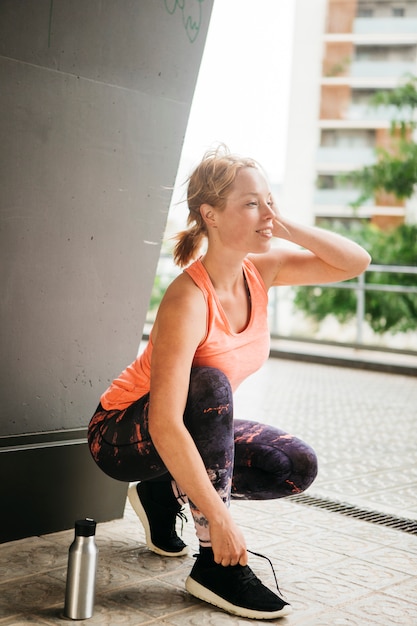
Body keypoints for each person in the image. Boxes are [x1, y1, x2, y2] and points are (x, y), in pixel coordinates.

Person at [88, 146, 371, 620]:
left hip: (184, 428)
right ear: (210, 215)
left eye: (269, 200)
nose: (266, 213)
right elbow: (164, 422)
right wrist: (220, 521)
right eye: (251, 203)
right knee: (212, 385)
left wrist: (280, 224)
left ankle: (160, 491)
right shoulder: (187, 298)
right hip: (121, 432)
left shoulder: (262, 270)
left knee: (293, 465)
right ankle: (213, 567)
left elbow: (354, 261)